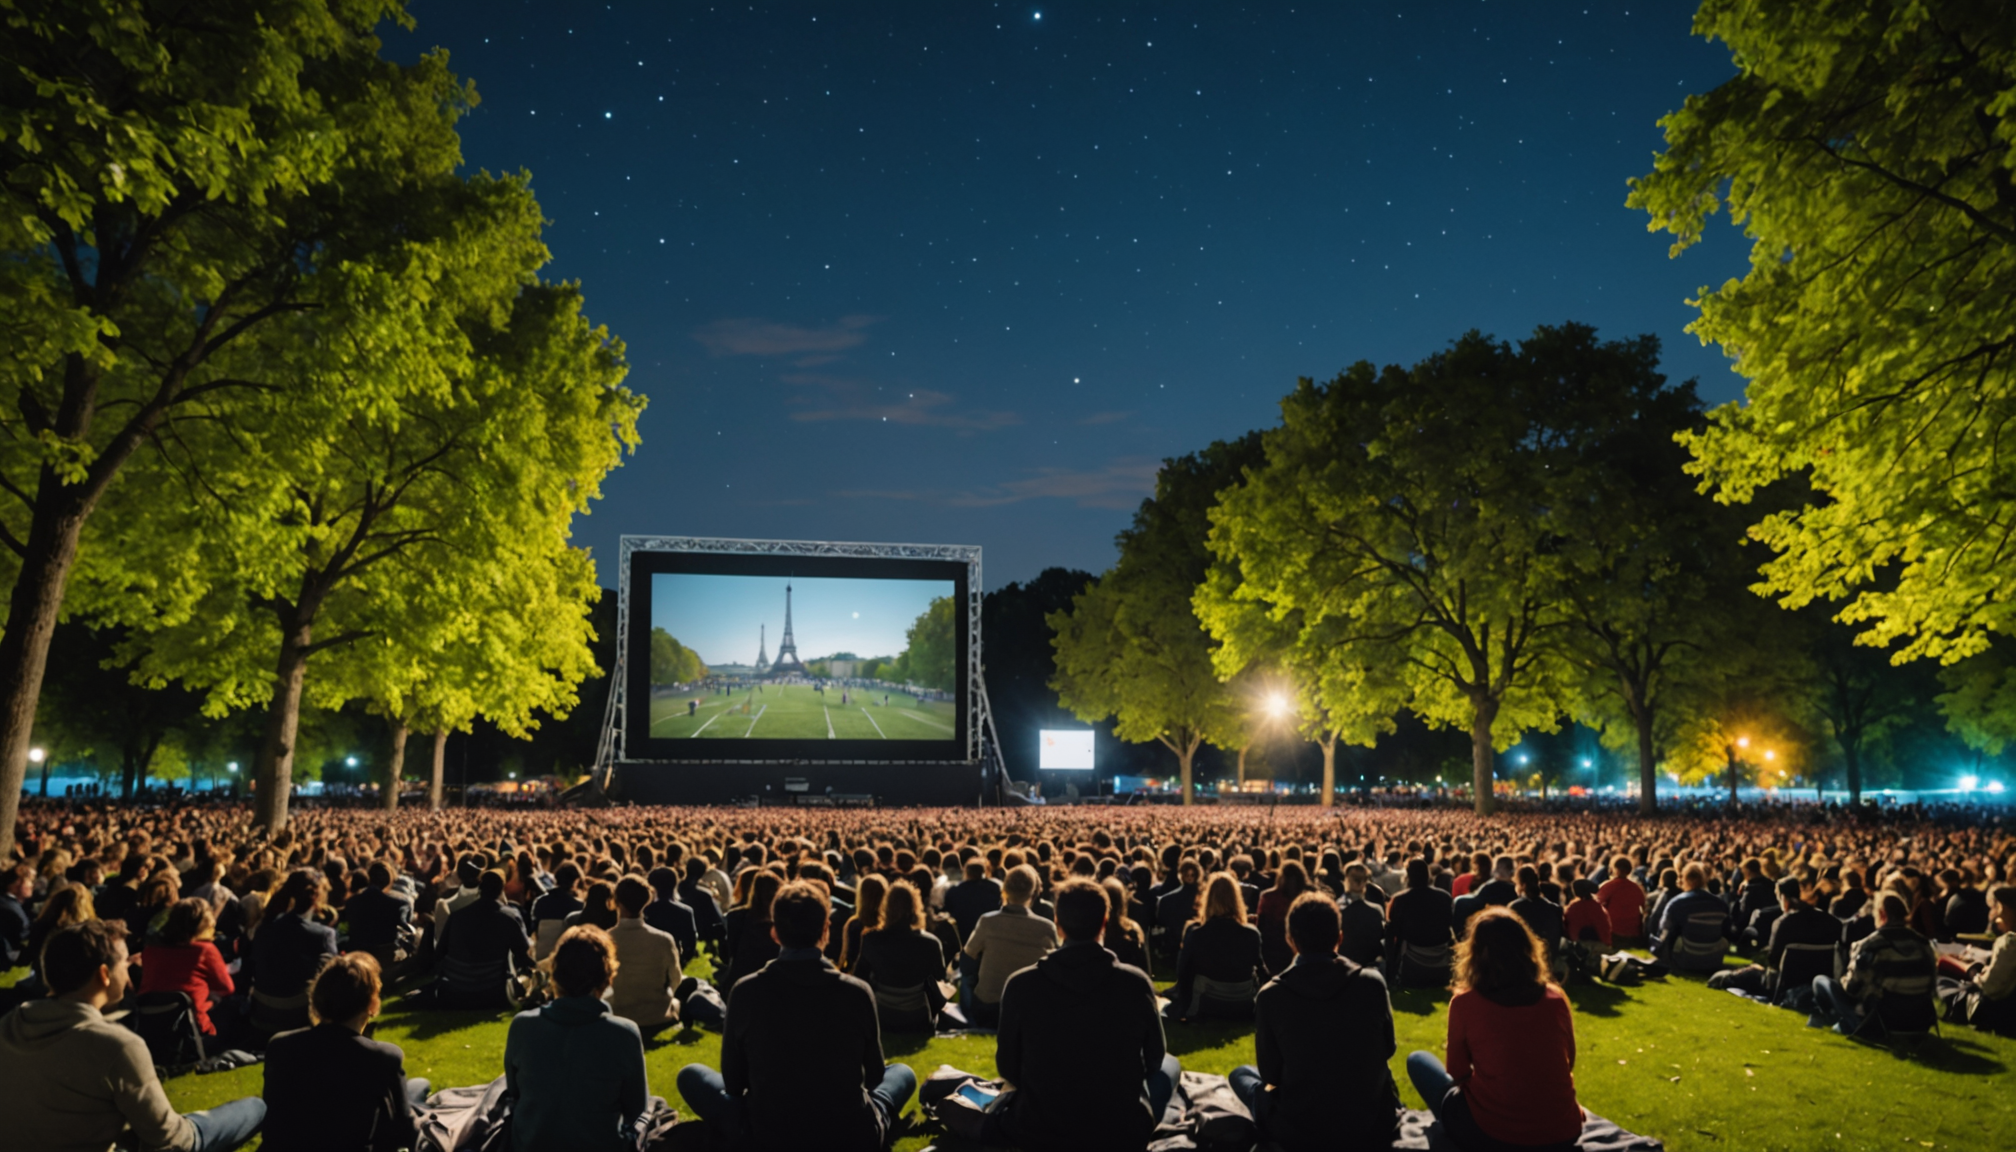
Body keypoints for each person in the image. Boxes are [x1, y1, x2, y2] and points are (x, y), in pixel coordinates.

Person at [678, 880, 916, 1152]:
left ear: (775, 932)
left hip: (767, 1134)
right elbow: (874, 1077)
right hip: (849, 1134)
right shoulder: (856, 992)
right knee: (901, 1073)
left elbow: (733, 1084)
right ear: (825, 930)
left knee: (691, 1075)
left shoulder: (746, 991)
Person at [0, 919, 266, 1151]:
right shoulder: (115, 1045)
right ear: (104, 974)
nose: (129, 972)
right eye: (124, 963)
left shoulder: (10, 1024)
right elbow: (171, 1140)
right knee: (255, 1108)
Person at [968, 877, 1178, 1152]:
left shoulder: (1021, 985)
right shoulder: (1135, 984)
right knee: (1169, 1067)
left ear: (1057, 923)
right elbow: (1154, 1058)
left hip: (1040, 1128)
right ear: (1104, 922)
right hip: (1118, 1132)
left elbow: (1008, 1066)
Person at [1231, 892, 1403, 1152]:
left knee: (1241, 1074)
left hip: (1300, 1129)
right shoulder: (1370, 983)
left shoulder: (1272, 995)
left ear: (1290, 940)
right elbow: (1388, 1048)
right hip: (1369, 1123)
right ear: (1340, 938)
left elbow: (1270, 1074)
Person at [1407, 908, 1584, 1152]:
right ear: (1527, 948)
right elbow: (1568, 1061)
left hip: (1492, 1135)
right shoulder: (1555, 999)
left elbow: (1457, 1072)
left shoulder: (1465, 1003)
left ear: (1475, 954)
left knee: (1418, 1061)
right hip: (1564, 1133)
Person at [505, 925, 656, 1151]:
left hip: (532, 1144)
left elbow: (514, 1093)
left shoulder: (523, 1026)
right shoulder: (624, 1034)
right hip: (601, 1145)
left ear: (556, 972)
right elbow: (636, 1109)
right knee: (654, 1108)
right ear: (607, 976)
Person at [261, 953, 428, 1152]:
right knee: (417, 1089)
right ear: (371, 1004)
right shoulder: (382, 1057)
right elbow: (405, 1130)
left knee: (417, 1087)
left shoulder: (280, 1046)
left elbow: (275, 1119)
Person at [1811, 890, 1937, 1036]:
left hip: (1883, 1019)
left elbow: (1851, 989)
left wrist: (1843, 978)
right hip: (1919, 1019)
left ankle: (1842, 1021)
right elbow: (1932, 985)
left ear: (1882, 914)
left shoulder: (1872, 945)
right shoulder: (1923, 944)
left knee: (1820, 982)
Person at [1709, 876, 1842, 1003]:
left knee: (1745, 974)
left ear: (1782, 897)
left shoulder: (1784, 923)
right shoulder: (1831, 921)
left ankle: (1724, 979)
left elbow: (1773, 960)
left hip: (1783, 983)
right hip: (1815, 979)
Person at [961, 864, 1059, 1027]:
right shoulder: (1046, 928)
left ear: (1005, 890)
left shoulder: (988, 921)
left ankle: (968, 1023)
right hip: (1029, 1007)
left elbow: (966, 962)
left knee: (965, 977)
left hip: (989, 1007)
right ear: (1034, 893)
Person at [852, 879, 949, 1032]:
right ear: (915, 907)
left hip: (882, 1016)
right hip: (918, 1016)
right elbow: (940, 976)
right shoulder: (931, 943)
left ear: (886, 907)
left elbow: (860, 977)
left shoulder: (871, 939)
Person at [251, 870, 340, 1034]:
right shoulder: (323, 935)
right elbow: (335, 978)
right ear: (317, 897)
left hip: (262, 1010)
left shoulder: (265, 928)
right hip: (297, 1016)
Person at [1169, 871, 1264, 1021]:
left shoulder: (1197, 934)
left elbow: (1184, 973)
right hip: (1242, 1003)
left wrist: (1184, 1007)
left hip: (1206, 1004)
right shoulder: (1251, 934)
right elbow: (1260, 969)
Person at [138, 898, 235, 1039]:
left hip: (149, 1025)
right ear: (205, 924)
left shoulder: (150, 950)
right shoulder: (204, 950)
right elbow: (227, 988)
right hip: (191, 1028)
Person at [436, 869, 533, 1008]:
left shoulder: (457, 916)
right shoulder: (509, 917)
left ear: (480, 889)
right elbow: (523, 956)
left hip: (456, 988)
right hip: (493, 990)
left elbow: (440, 953)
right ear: (501, 890)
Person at [1936, 885, 2016, 1033]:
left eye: (1998, 907)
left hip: (1996, 1008)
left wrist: (1976, 976)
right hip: (2005, 1006)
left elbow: (1991, 986)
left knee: (1945, 967)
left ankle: (1952, 1011)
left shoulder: (2009, 943)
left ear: (2005, 908)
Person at [608, 874, 682, 1031]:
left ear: (617, 902)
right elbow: (676, 979)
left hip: (617, 1013)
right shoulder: (663, 939)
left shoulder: (605, 939)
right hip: (657, 1015)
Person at [1385, 858, 1455, 987]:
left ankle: (1391, 974)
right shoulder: (1444, 896)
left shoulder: (1400, 899)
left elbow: (1394, 931)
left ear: (1408, 876)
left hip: (1411, 957)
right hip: (1440, 955)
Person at [1648, 863, 1731, 960]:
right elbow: (1726, 931)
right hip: (1713, 957)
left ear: (1687, 880)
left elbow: (1664, 930)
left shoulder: (1677, 903)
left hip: (1686, 956)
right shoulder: (1721, 904)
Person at [341, 861, 415, 970]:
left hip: (356, 957)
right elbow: (405, 931)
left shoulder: (351, 902)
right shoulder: (397, 905)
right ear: (388, 880)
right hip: (383, 961)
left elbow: (343, 929)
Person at [1256, 859, 1312, 975]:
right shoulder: (1307, 897)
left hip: (1272, 951)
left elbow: (1261, 926)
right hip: (1300, 950)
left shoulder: (1268, 897)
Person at [642, 867, 699, 961]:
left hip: (647, 958)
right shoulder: (685, 911)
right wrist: (681, 961)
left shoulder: (645, 911)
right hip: (673, 958)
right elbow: (690, 944)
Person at [1338, 864, 1388, 970]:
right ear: (1365, 882)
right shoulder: (1376, 910)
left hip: (1343, 964)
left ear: (1347, 880)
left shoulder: (1337, 909)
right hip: (1368, 965)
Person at [943, 859, 1001, 943]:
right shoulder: (994, 888)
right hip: (989, 934)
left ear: (966, 872)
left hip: (963, 934)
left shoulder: (955, 890)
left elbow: (948, 909)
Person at [1595, 856, 1647, 946]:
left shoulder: (1608, 886)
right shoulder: (1637, 888)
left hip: (1614, 931)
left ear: (1614, 869)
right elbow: (1643, 907)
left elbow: (1596, 905)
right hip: (1633, 931)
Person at [0, 861, 31, 967]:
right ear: (17, 883)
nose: (32, 885)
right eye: (29, 881)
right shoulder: (10, 909)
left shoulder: (10, 903)